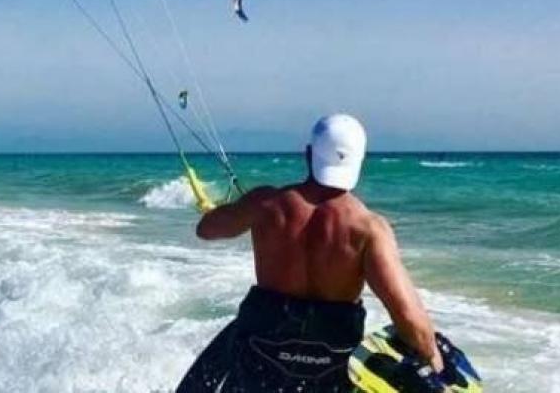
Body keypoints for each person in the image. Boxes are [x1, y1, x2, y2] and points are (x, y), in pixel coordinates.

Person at [177, 114, 443, 392]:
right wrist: (433, 359)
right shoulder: (369, 228)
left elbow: (206, 230)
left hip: (263, 345)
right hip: (329, 359)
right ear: (359, 161)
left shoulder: (265, 203)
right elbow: (408, 317)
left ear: (308, 154)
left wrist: (227, 209)